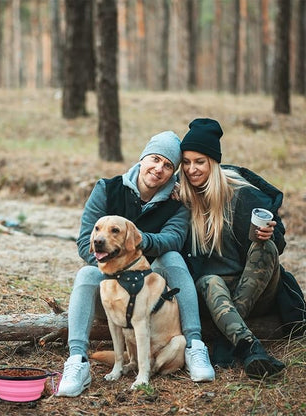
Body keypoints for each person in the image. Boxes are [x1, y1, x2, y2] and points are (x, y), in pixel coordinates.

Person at [56, 131, 215, 397]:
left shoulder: (177, 204)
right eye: (155, 159)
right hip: (112, 294)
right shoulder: (107, 188)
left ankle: (194, 347)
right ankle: (77, 360)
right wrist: (118, 261)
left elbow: (173, 239)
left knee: (173, 258)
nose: (158, 169)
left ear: (173, 173)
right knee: (86, 274)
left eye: (168, 166)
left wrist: (132, 239)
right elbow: (86, 242)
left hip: (152, 297)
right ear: (142, 159)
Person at [179, 118, 305, 379]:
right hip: (214, 296)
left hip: (256, 290)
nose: (192, 169)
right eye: (187, 162)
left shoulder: (241, 194)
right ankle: (250, 348)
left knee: (265, 247)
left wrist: (271, 233)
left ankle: (228, 339)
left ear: (213, 162)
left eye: (199, 161)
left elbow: (278, 242)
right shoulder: (181, 199)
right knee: (210, 280)